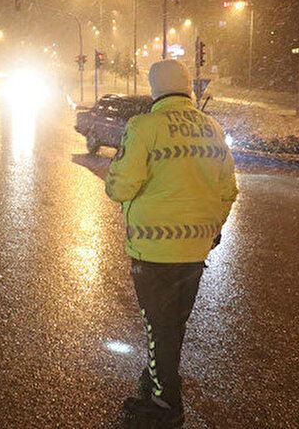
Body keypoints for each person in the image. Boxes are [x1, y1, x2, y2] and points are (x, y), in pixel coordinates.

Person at [104, 59, 238, 427]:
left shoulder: (144, 127)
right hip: (196, 249)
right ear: (188, 88)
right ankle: (159, 375)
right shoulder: (212, 128)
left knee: (157, 324)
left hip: (154, 249)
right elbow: (228, 189)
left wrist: (115, 180)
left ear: (155, 89)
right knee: (173, 322)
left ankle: (166, 406)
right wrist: (210, 227)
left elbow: (121, 186)